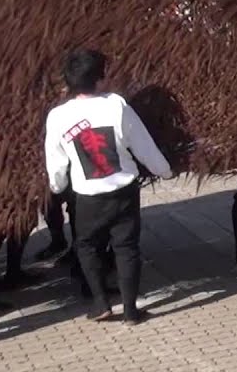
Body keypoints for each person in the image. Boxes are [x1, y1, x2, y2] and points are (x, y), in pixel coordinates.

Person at [44, 49, 173, 324]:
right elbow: (143, 144)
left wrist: (57, 186)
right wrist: (164, 170)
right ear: (99, 78)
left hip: (88, 197)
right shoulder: (116, 105)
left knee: (86, 246)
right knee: (126, 248)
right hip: (124, 191)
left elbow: (55, 160)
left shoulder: (58, 116)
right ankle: (130, 310)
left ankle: (100, 303)